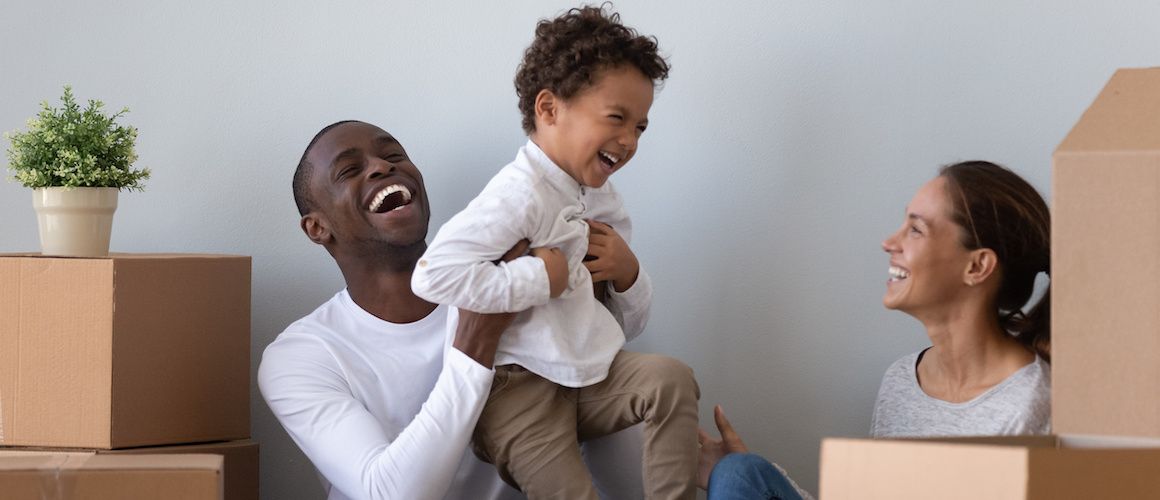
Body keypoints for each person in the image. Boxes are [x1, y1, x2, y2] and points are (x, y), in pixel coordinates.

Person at [258, 120, 646, 500]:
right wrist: (478, 339)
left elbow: (603, 365)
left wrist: (693, 465)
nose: (383, 166)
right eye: (350, 170)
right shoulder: (300, 358)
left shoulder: (512, 279)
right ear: (317, 228)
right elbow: (388, 493)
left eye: (393, 154)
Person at [410, 6, 699, 500]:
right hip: (515, 395)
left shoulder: (601, 198)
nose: (628, 141)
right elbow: (433, 276)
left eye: (641, 127)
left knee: (671, 379)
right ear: (549, 109)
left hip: (584, 374)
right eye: (616, 118)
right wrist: (538, 279)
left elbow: (627, 324)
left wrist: (629, 274)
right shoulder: (519, 193)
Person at [697, 160, 1053, 500]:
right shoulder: (902, 380)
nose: (889, 242)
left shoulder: (1029, 403)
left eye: (915, 229)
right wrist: (751, 483)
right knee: (739, 472)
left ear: (977, 266)